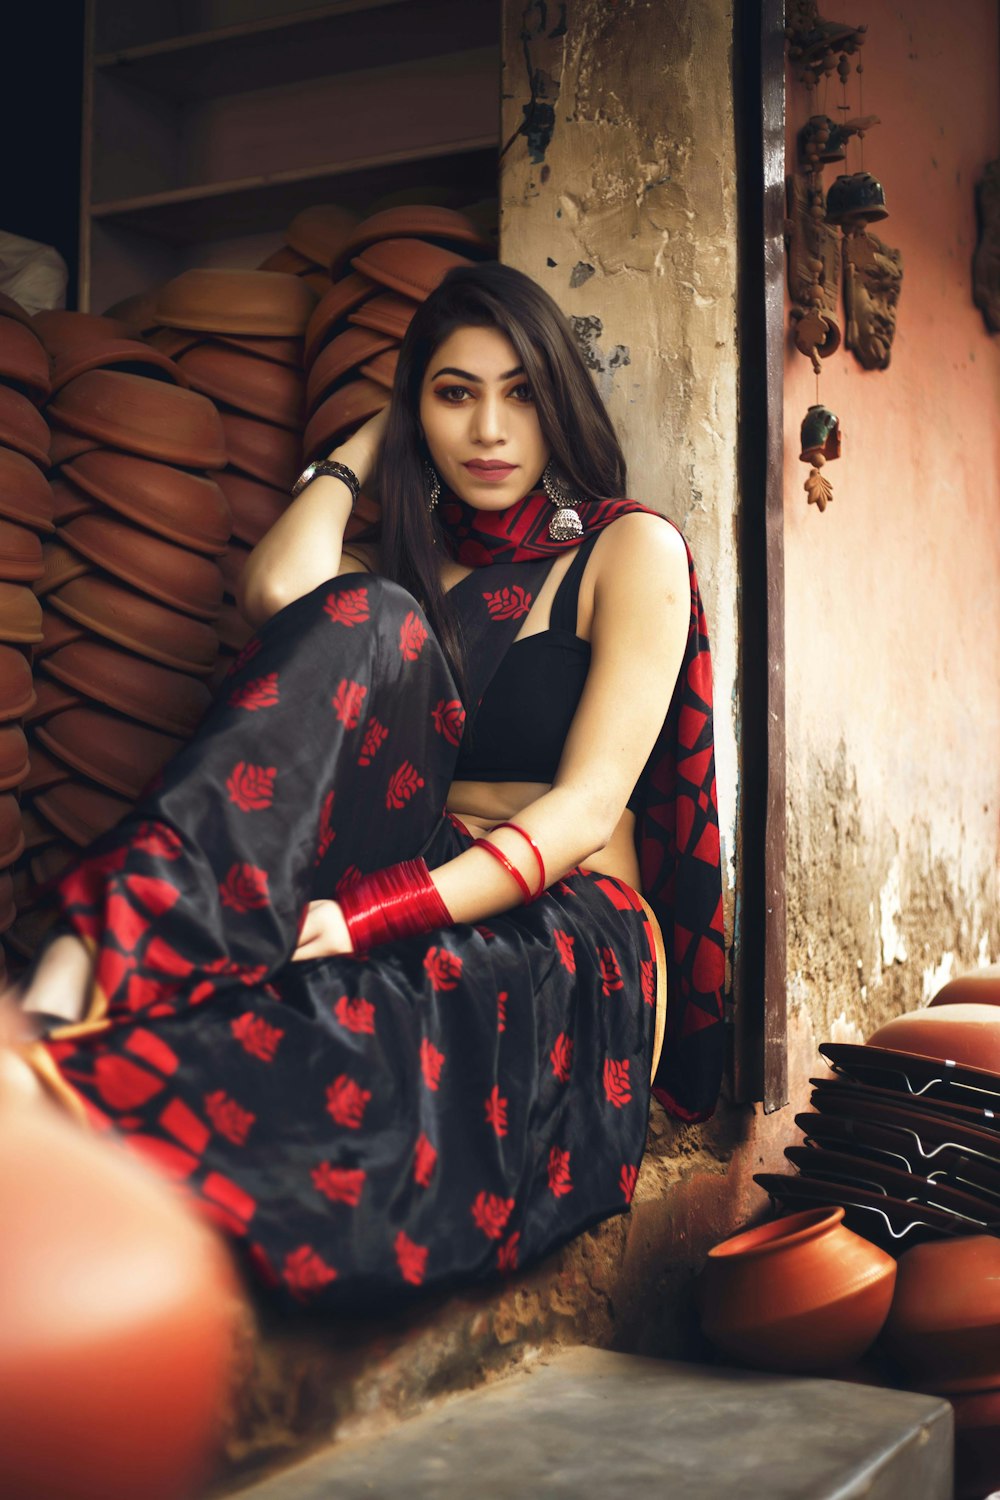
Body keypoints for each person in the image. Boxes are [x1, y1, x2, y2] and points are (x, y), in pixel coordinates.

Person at [7, 262, 725, 1312]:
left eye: (519, 392)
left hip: (559, 909)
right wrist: (362, 448)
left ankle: (78, 1062)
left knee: (349, 1004)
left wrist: (368, 916)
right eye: (452, 393)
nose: (488, 428)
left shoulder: (626, 549)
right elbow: (274, 592)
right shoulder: (409, 560)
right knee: (365, 614)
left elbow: (582, 811)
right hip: (394, 853)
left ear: (559, 402)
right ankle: (91, 965)